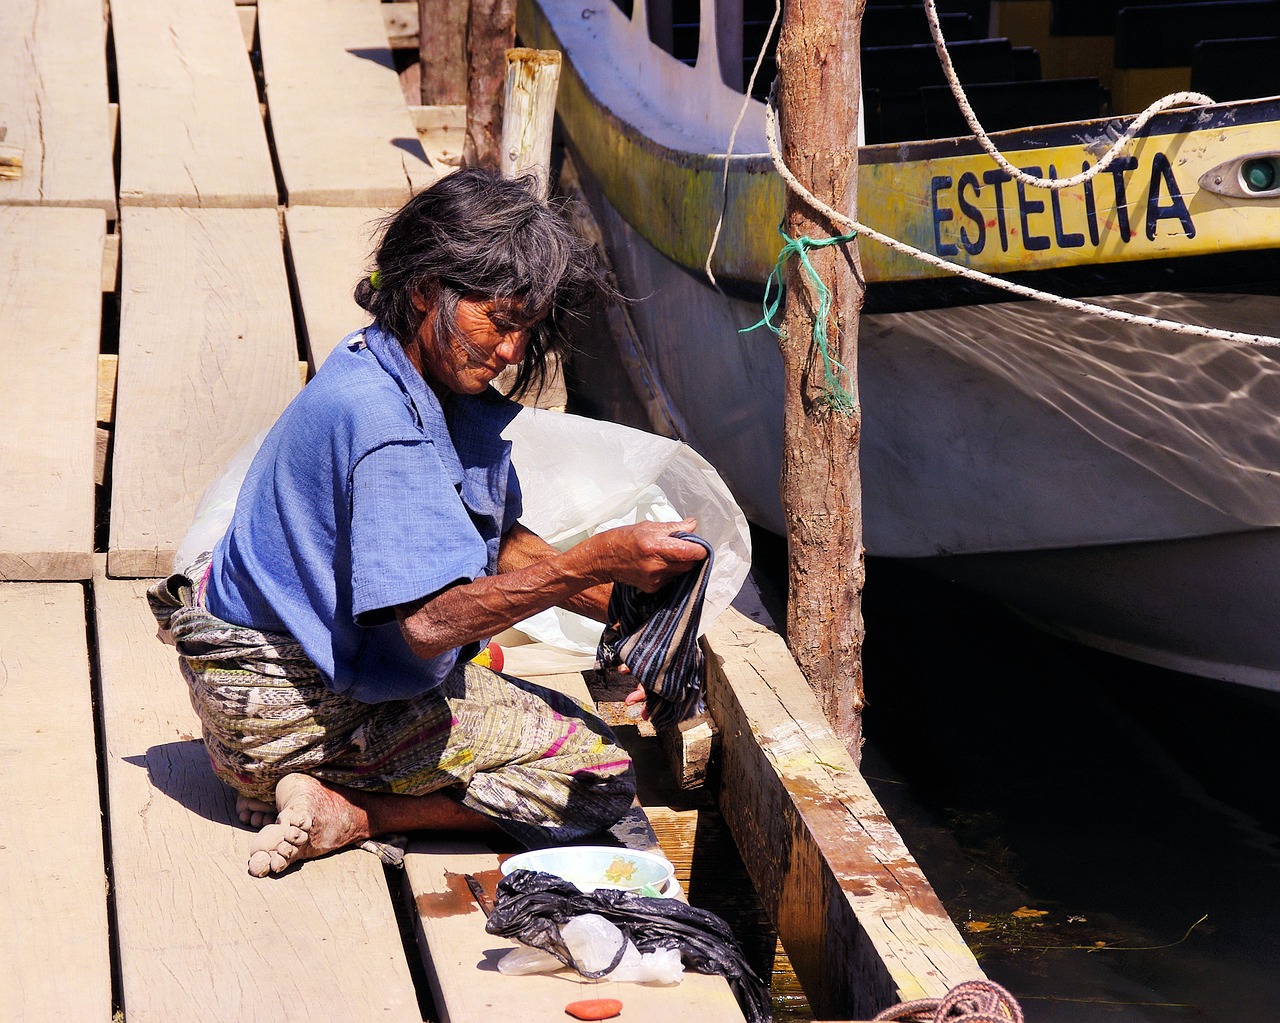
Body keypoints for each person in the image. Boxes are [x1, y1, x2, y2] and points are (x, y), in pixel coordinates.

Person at [148, 168, 708, 878]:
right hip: (284, 707)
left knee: (539, 723)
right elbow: (427, 625)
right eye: (497, 323)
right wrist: (593, 561)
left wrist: (628, 622)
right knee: (597, 775)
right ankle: (352, 807)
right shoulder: (388, 429)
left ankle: (290, 774)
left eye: (524, 329)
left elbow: (495, 540)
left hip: (243, 686)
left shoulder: (380, 358)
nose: (509, 352)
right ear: (424, 292)